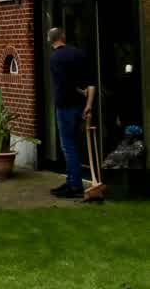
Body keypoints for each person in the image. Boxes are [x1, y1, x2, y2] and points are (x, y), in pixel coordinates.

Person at [47, 27, 96, 198]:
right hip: (80, 107)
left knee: (68, 146)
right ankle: (70, 181)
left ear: (50, 40)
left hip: (65, 106)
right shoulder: (78, 54)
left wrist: (77, 91)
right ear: (63, 37)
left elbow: (64, 83)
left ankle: (74, 186)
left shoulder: (55, 58)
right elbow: (91, 82)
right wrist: (88, 104)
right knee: (73, 144)